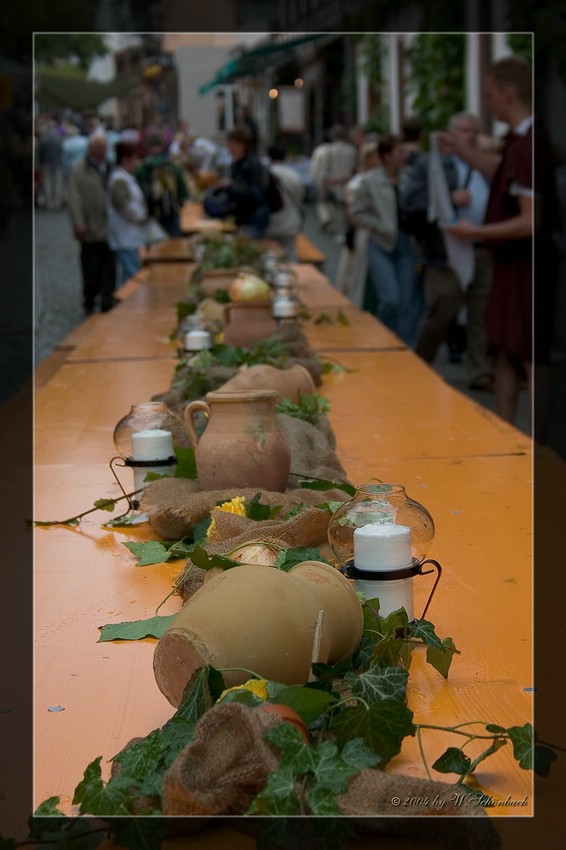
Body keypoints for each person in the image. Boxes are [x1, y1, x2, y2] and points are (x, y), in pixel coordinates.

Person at [440, 57, 535, 425]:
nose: (489, 103)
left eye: (491, 94)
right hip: (507, 262)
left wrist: (474, 232)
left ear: (508, 93)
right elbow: (499, 173)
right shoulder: (515, 142)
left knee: (525, 350)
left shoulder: (527, 144)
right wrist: (462, 149)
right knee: (504, 348)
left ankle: (537, 443)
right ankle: (508, 428)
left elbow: (529, 221)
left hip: (522, 263)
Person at [400, 112, 493, 389]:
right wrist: (450, 200)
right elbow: (411, 202)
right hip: (446, 252)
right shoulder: (433, 164)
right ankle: (420, 364)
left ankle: (480, 371)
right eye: (464, 130)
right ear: (451, 134)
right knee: (442, 310)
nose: (470, 136)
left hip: (482, 248)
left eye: (474, 130)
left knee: (481, 314)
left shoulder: (484, 164)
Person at [350, 134, 418, 343]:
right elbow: (356, 212)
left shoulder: (410, 177)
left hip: (407, 243)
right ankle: (380, 338)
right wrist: (378, 226)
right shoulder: (371, 181)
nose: (404, 155)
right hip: (381, 242)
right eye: (399, 151)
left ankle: (402, 345)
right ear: (387, 156)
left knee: (406, 301)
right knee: (390, 298)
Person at [67, 134, 116, 314]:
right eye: (100, 150)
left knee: (109, 265)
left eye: (104, 149)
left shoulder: (110, 166)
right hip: (89, 228)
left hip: (109, 227)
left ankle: (106, 298)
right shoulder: (79, 169)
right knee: (91, 267)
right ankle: (89, 298)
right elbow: (74, 198)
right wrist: (78, 222)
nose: (103, 153)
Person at [216, 125, 282, 238]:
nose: (228, 148)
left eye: (231, 144)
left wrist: (231, 186)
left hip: (254, 218)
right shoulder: (236, 164)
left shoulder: (254, 165)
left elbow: (256, 194)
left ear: (242, 145)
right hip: (242, 217)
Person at [335, 140, 381, 301]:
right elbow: (352, 213)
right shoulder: (359, 182)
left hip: (374, 232)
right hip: (362, 233)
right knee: (356, 272)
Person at [106, 141, 148, 285]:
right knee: (131, 273)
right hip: (126, 234)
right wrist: (141, 216)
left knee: (130, 271)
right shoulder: (119, 179)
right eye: (134, 159)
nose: (136, 163)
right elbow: (124, 205)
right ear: (126, 159)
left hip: (131, 234)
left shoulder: (125, 177)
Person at [135, 133, 189, 237]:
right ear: (162, 146)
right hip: (171, 214)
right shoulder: (174, 166)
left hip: (150, 217)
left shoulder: (141, 168)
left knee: (154, 245)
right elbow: (183, 193)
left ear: (147, 147)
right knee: (175, 244)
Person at [316, 124, 358, 243]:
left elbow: (325, 169)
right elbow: (354, 167)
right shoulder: (351, 150)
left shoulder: (329, 150)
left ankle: (341, 232)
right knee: (348, 209)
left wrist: (324, 182)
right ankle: (349, 231)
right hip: (348, 182)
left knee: (337, 209)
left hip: (333, 182)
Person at [264, 144, 305, 261]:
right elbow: (300, 197)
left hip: (271, 224)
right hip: (291, 224)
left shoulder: (267, 174)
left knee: (270, 257)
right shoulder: (294, 175)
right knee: (290, 257)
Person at [38, 118, 65, 211]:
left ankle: (49, 203)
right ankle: (57, 202)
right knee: (58, 183)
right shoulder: (58, 137)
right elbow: (61, 150)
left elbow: (40, 151)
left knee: (47, 183)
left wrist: (41, 161)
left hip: (46, 163)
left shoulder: (44, 138)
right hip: (57, 163)